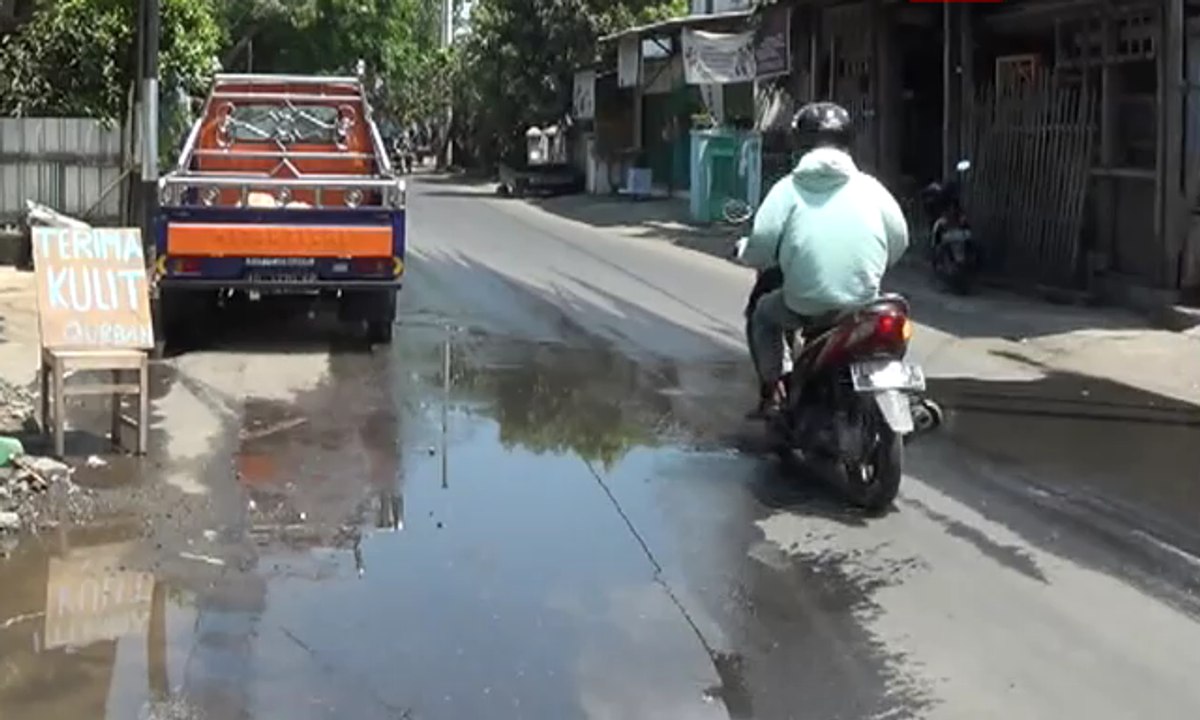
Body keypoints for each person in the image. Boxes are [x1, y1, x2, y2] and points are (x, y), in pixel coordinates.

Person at [736, 102, 909, 418]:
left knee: (763, 315)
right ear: (847, 140)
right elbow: (899, 240)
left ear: (800, 142)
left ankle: (775, 391)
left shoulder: (787, 189)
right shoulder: (872, 189)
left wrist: (745, 251)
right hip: (862, 303)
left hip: (805, 303)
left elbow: (761, 248)